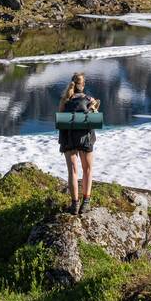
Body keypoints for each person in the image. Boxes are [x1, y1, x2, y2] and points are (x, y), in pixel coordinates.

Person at [58, 71, 100, 214]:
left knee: (73, 172)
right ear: (83, 85)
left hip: (68, 139)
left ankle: (74, 204)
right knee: (87, 170)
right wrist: (93, 108)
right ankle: (85, 202)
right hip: (85, 138)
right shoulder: (89, 99)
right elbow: (95, 118)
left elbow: (59, 120)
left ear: (72, 84)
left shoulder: (65, 100)